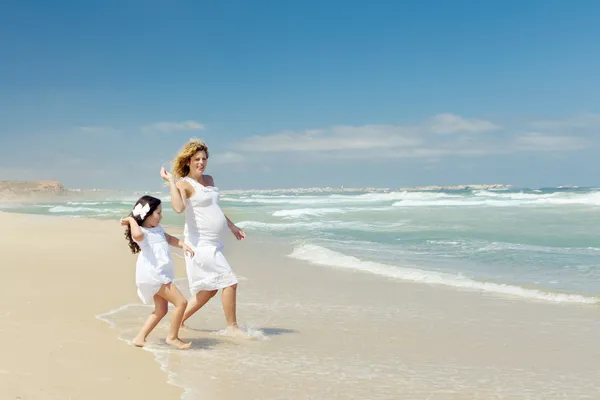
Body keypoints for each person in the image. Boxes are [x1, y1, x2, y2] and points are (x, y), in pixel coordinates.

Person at [160, 138, 245, 333]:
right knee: (230, 282)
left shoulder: (209, 180)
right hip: (200, 245)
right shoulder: (185, 184)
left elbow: (215, 208)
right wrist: (172, 182)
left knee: (209, 290)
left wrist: (231, 226)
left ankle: (178, 320)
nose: (201, 162)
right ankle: (232, 328)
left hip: (215, 243)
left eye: (204, 158)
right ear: (188, 161)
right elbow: (179, 208)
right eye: (197, 159)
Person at [120, 195, 194, 349]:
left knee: (161, 309)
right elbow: (137, 236)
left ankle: (140, 338)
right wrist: (131, 220)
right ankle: (172, 337)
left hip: (158, 274)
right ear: (147, 215)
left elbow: (169, 239)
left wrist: (183, 245)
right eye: (158, 213)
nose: (161, 216)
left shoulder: (158, 229)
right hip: (154, 275)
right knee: (181, 303)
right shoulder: (141, 231)